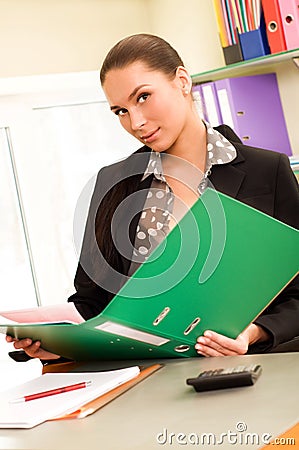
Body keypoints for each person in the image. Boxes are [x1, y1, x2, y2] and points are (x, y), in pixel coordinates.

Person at [7, 33, 299, 360]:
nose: (136, 122)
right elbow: (93, 304)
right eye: (120, 110)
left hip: (245, 372)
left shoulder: (267, 171)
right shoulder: (113, 183)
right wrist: (54, 344)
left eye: (143, 97)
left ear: (182, 81)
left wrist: (252, 332)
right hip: (148, 378)